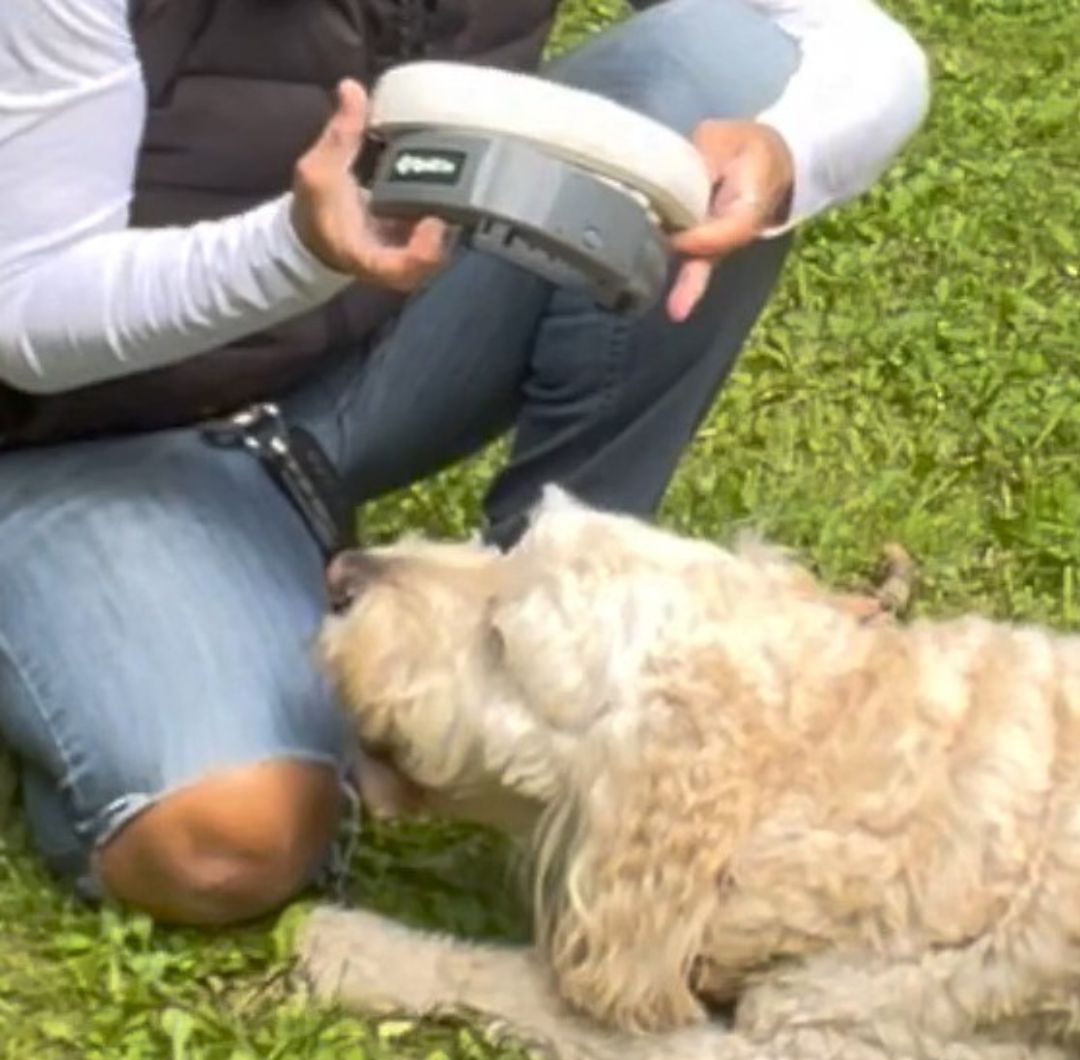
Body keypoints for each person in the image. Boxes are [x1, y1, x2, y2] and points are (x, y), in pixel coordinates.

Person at [0, 0, 929, 927]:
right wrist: (290, 252)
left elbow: (850, 43)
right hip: (67, 437)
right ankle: (118, 625)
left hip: (347, 360)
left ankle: (555, 655)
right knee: (228, 842)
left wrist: (785, 152)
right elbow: (22, 313)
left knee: (728, 64)